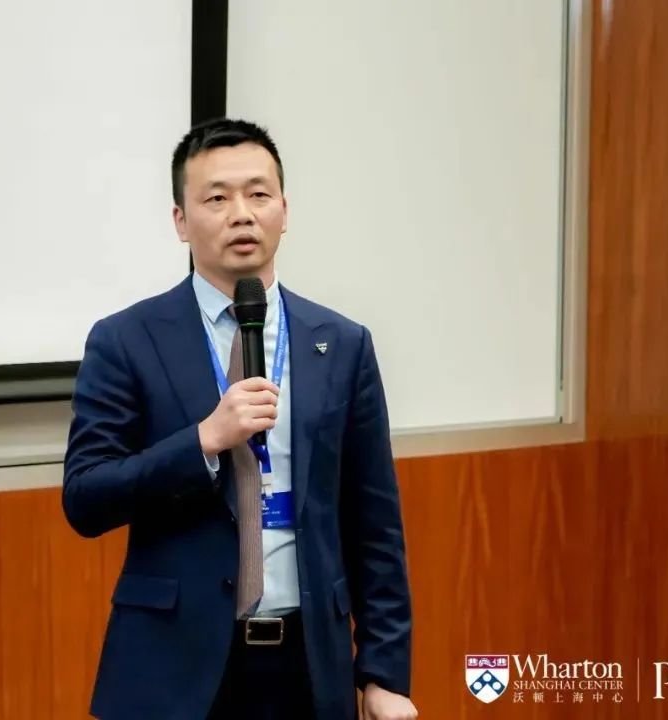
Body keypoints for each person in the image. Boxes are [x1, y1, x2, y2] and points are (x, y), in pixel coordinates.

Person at [62, 117, 416, 720]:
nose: (242, 214)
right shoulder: (126, 340)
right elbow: (86, 498)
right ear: (181, 221)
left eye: (259, 194)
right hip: (174, 669)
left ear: (285, 210)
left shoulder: (341, 343)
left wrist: (384, 674)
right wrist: (204, 441)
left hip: (308, 666)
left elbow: (374, 520)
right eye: (217, 199)